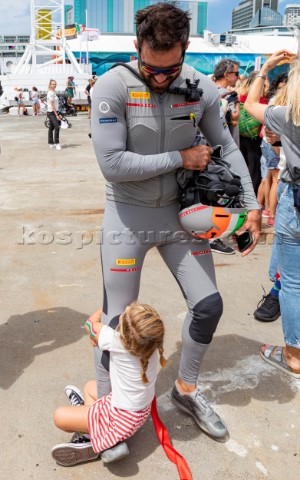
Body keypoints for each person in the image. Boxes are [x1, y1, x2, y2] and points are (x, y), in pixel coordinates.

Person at [91, 1, 261, 440]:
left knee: (208, 305)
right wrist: (181, 157)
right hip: (127, 218)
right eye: (152, 68)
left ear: (185, 49)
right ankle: (110, 409)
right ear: (137, 47)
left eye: (171, 69)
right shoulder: (111, 87)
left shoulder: (201, 87)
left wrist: (251, 208)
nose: (162, 78)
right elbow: (112, 162)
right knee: (116, 321)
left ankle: (185, 389)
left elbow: (225, 148)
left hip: (180, 221)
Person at [52, 302, 167, 466]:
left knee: (59, 416)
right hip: (139, 414)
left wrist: (104, 309)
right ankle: (101, 434)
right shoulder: (151, 344)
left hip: (119, 419)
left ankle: (95, 441)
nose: (125, 309)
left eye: (126, 313)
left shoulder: (117, 342)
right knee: (90, 387)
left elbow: (90, 324)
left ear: (125, 336)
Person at [245, 49, 300, 379]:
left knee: (293, 283)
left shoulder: (287, 116)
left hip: (296, 204)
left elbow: (250, 106)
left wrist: (264, 68)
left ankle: (294, 353)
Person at [237, 72, 269, 195]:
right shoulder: (262, 98)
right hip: (255, 138)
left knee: (242, 166)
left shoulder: (240, 95)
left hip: (240, 135)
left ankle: (239, 194)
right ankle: (250, 196)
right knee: (254, 168)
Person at [47, 79, 61, 150]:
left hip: (55, 112)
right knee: (57, 127)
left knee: (51, 128)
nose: (54, 85)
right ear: (50, 85)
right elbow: (52, 105)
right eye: (52, 84)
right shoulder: (50, 93)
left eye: (55, 84)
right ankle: (57, 143)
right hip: (51, 112)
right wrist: (56, 115)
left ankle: (51, 143)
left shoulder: (54, 92)